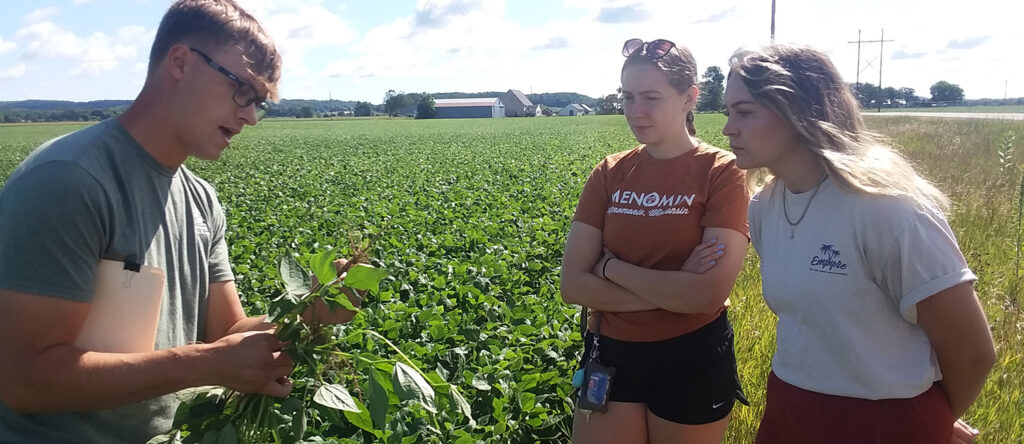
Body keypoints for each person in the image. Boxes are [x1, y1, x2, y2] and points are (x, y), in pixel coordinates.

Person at [0, 1, 357, 442]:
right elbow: (23, 380)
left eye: (259, 103)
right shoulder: (68, 181)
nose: (249, 115)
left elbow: (227, 333)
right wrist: (202, 364)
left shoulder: (201, 201)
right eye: (242, 90)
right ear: (182, 62)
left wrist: (312, 312)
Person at [722, 44, 996, 444]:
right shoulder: (765, 206)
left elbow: (973, 353)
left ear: (801, 111)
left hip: (886, 422)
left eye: (744, 112)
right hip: (790, 409)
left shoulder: (889, 210)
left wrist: (935, 419)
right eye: (729, 112)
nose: (729, 127)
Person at [560, 38, 751, 444]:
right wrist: (676, 289)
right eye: (628, 97)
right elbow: (573, 285)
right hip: (610, 355)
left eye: (651, 97)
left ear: (689, 97)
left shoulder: (722, 172)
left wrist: (611, 269)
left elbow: (706, 296)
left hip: (692, 355)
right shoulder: (610, 172)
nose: (636, 111)